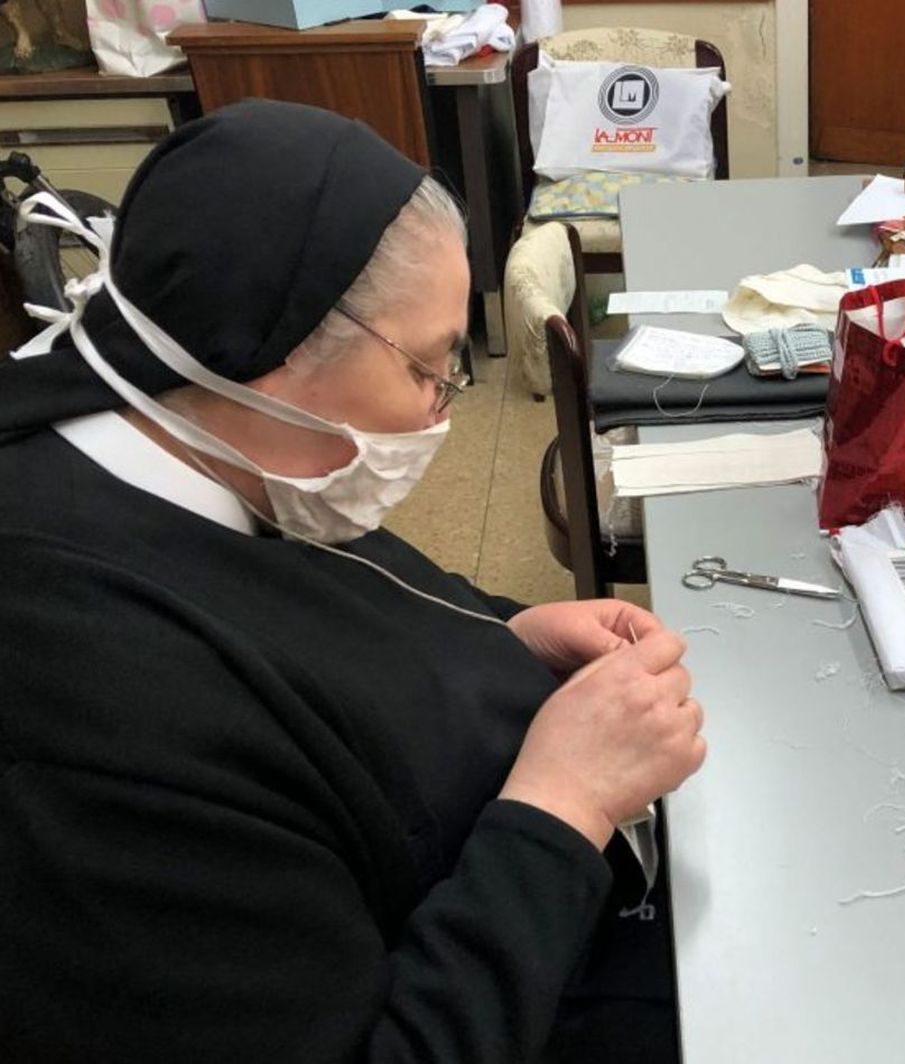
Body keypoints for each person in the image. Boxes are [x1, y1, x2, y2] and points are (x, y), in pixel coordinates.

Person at [0, 100, 704, 1062]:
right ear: (280, 350)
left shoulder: (196, 444)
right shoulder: (87, 716)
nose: (442, 411)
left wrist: (503, 633)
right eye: (430, 369)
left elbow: (333, 615)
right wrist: (566, 804)